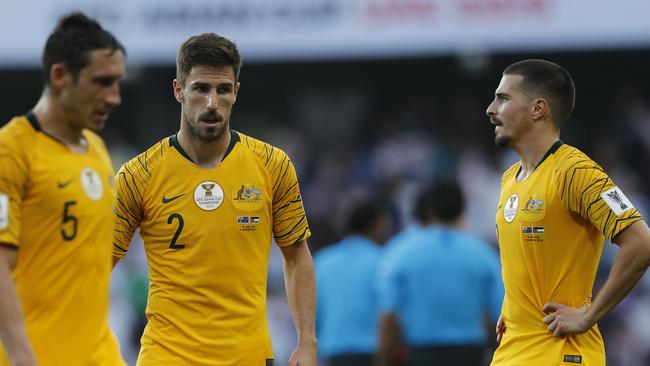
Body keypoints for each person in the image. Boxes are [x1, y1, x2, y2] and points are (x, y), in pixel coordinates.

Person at [112, 33, 317, 365]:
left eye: (223, 90)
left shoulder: (272, 165)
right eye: (200, 89)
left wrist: (306, 342)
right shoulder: (139, 175)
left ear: (236, 92)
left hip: (247, 356)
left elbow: (297, 256)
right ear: (179, 90)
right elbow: (95, 263)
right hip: (167, 357)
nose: (212, 103)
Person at [485, 59, 650, 365]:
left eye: (504, 99)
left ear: (538, 109)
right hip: (513, 351)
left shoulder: (577, 172)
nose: (491, 109)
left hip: (560, 353)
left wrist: (590, 314)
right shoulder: (510, 178)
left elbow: (642, 242)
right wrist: (513, 310)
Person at [0, 12, 126, 366]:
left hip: (102, 356)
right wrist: (23, 357)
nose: (114, 97)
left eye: (117, 82)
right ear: (60, 76)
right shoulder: (12, 151)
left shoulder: (98, 151)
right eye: (102, 82)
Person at [376, 180, 503, 366]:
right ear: (462, 209)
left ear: (430, 209)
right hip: (469, 353)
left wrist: (383, 360)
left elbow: (389, 317)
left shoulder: (399, 253)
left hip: (421, 353)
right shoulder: (483, 254)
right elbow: (499, 317)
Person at [314, 198, 392, 366]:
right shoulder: (384, 261)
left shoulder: (322, 262)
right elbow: (389, 312)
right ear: (376, 224)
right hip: (373, 353)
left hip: (334, 353)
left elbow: (311, 314)